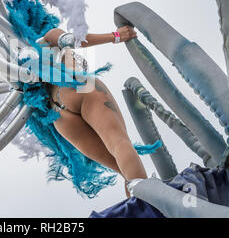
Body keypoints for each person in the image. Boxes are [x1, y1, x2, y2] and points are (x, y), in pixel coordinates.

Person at [38, 26, 148, 197]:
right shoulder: (47, 35)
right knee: (119, 143)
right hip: (76, 87)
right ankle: (151, 208)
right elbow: (72, 40)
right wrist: (116, 36)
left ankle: (139, 212)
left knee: (122, 169)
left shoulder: (23, 58)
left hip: (58, 114)